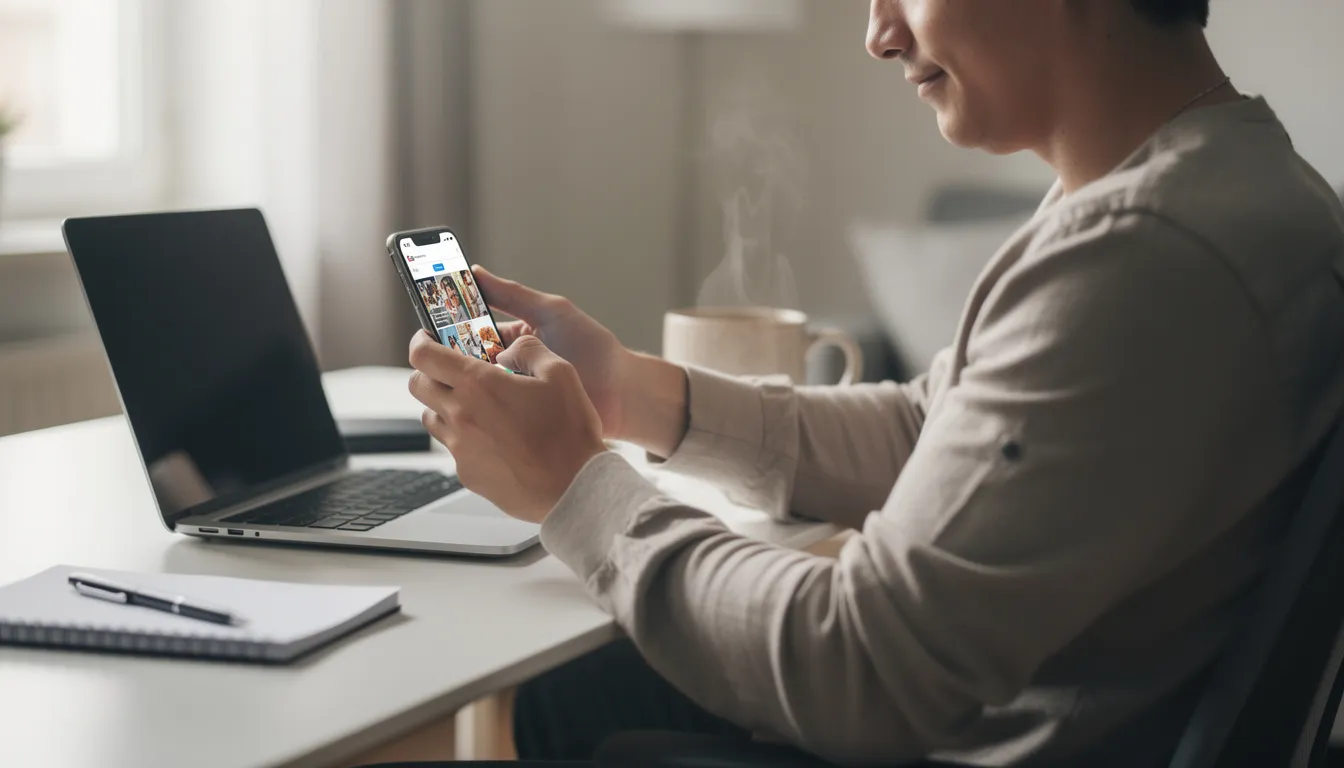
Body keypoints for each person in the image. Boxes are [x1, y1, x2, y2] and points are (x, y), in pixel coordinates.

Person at [403, 1, 1344, 766]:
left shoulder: (1141, 255)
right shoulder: (1235, 185)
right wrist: (629, 395)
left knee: (561, 709)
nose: (878, 32)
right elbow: (937, 431)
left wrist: (579, 490)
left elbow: (862, 670)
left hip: (996, 739)